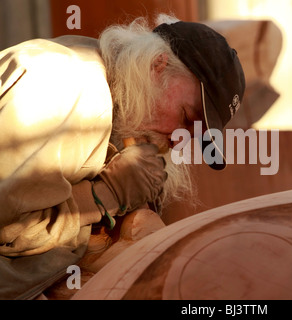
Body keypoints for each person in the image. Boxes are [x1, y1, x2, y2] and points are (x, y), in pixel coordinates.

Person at [0, 14, 245, 299]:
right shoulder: (66, 86)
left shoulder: (113, 101)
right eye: (187, 118)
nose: (181, 141)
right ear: (158, 66)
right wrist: (105, 195)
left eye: (196, 137)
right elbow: (9, 229)